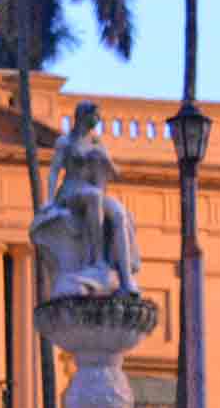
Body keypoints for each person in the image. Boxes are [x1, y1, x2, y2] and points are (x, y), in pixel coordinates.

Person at [30, 101, 140, 297]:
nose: (97, 120)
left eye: (98, 117)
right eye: (94, 116)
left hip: (92, 191)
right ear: (82, 116)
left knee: (119, 213)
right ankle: (97, 260)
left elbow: (114, 174)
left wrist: (105, 158)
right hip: (70, 191)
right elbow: (55, 171)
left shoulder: (97, 143)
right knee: (94, 197)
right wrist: (48, 201)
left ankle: (126, 279)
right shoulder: (66, 142)